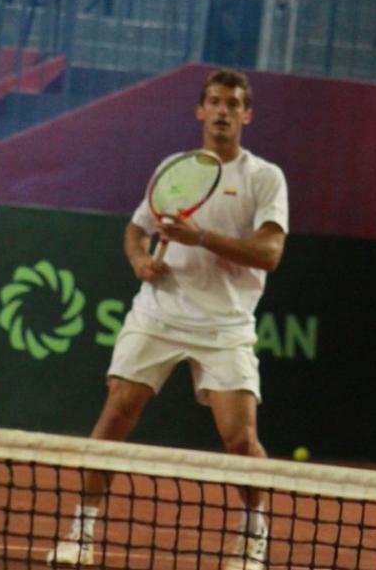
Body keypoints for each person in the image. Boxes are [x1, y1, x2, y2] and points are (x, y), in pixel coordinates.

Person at [47, 69, 287, 570]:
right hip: (158, 312)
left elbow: (269, 253)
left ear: (247, 115)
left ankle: (253, 538)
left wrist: (203, 239)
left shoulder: (264, 177)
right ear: (200, 111)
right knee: (115, 415)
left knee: (240, 439)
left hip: (225, 325)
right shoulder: (173, 168)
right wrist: (139, 261)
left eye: (233, 103)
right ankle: (81, 531)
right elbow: (136, 231)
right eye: (215, 102)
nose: (223, 110)